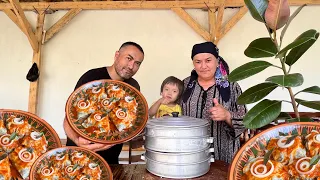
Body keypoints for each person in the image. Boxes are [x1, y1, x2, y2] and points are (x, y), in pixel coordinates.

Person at [63, 41, 145, 164]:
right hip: (79, 157)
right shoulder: (92, 78)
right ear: (117, 55)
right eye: (129, 58)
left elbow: (127, 123)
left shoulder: (133, 87)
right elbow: (68, 119)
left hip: (110, 160)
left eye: (137, 63)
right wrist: (77, 140)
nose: (131, 66)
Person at [181, 42, 247, 163]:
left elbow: (245, 120)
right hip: (191, 154)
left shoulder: (232, 86)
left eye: (208, 60)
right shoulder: (185, 85)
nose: (203, 66)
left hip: (224, 154)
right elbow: (173, 111)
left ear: (217, 61)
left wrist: (227, 115)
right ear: (193, 64)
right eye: (198, 62)